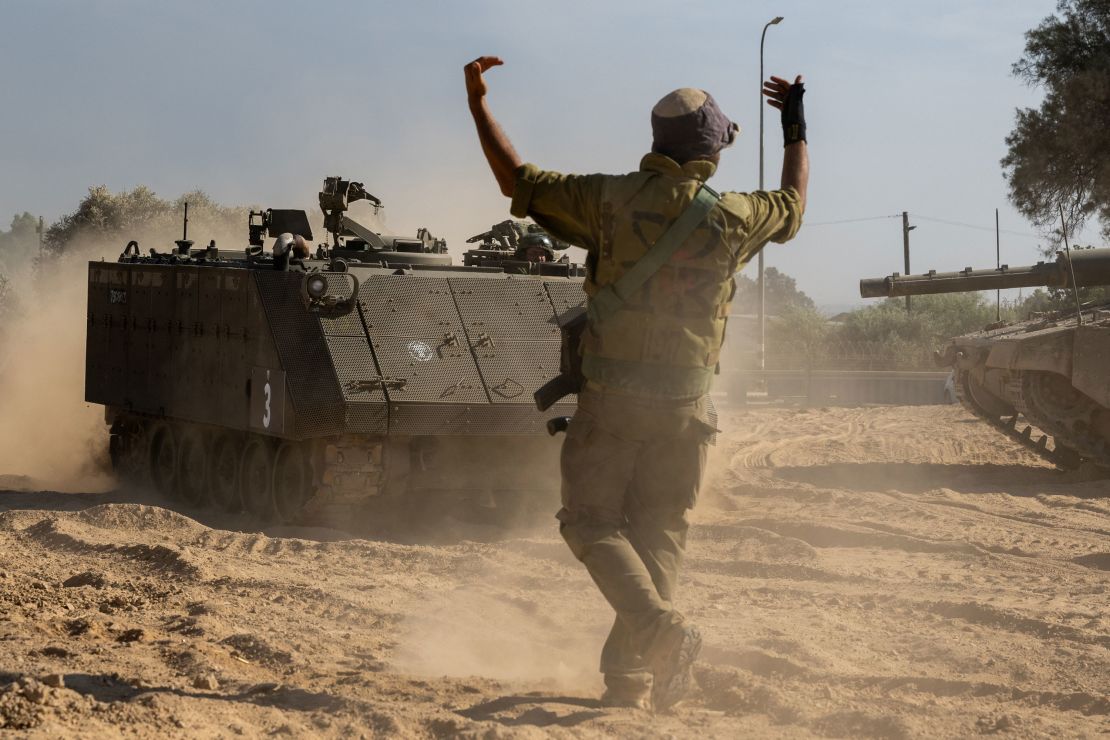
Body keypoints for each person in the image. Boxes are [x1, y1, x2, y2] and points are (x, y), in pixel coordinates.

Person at [464, 55, 808, 712]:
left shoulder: (607, 198)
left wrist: (479, 103)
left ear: (657, 145)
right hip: (687, 406)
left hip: (614, 399)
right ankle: (631, 676)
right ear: (712, 152)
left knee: (591, 522)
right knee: (660, 530)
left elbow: (517, 179)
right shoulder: (736, 215)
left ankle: (657, 633)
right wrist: (795, 129)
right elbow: (793, 204)